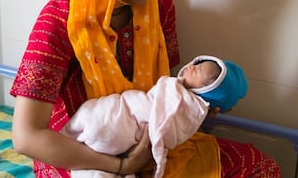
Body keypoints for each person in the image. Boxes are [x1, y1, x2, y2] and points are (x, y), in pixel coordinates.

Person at [10, 0, 282, 177]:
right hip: (78, 150)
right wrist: (122, 165)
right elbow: (26, 137)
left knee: (260, 166)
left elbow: (167, 88)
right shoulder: (59, 19)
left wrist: (198, 103)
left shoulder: (160, 6)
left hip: (149, 137)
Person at [61, 55, 248, 178]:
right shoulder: (180, 90)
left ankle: (92, 136)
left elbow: (171, 127)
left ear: (207, 90)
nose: (191, 67)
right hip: (130, 108)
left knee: (106, 123)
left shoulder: (192, 107)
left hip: (134, 124)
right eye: (195, 64)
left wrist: (156, 142)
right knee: (104, 113)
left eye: (198, 71)